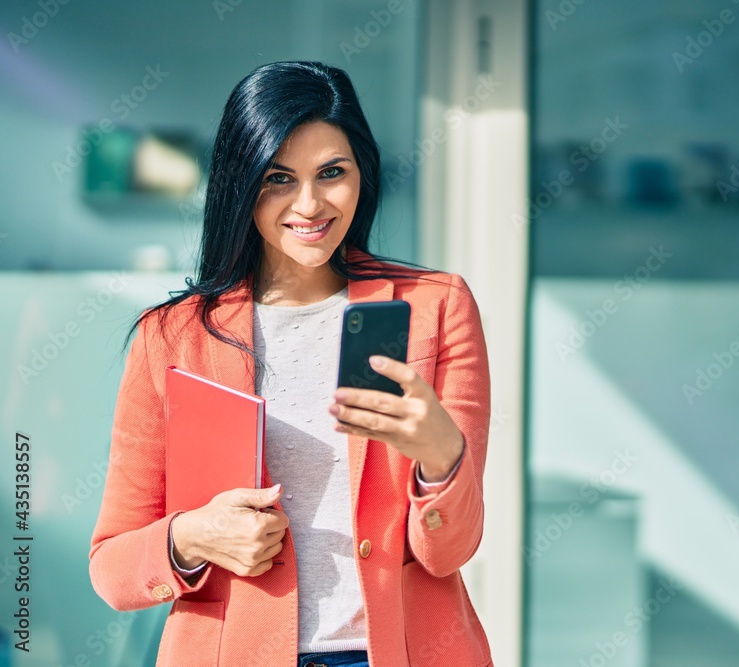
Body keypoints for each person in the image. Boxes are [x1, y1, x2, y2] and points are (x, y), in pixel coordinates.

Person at [88, 61, 493, 667]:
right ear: (240, 183)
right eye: (278, 178)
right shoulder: (171, 338)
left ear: (364, 175)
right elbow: (113, 570)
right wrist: (193, 536)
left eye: (332, 172)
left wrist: (441, 455)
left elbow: (447, 552)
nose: (309, 203)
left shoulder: (433, 308)